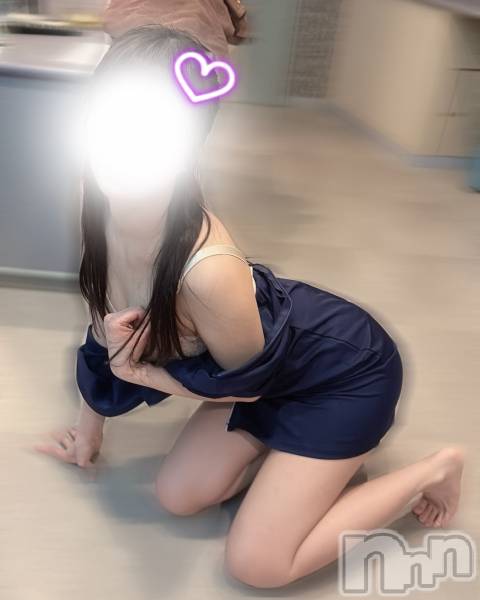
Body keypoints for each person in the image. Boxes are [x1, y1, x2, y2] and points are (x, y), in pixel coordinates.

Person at [35, 25, 466, 590]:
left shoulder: (208, 271)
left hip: (344, 375)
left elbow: (245, 384)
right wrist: (88, 429)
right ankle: (302, 467)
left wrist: (144, 374)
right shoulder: (93, 199)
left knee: (257, 564)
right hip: (264, 367)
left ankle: (433, 468)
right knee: (177, 495)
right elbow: (103, 322)